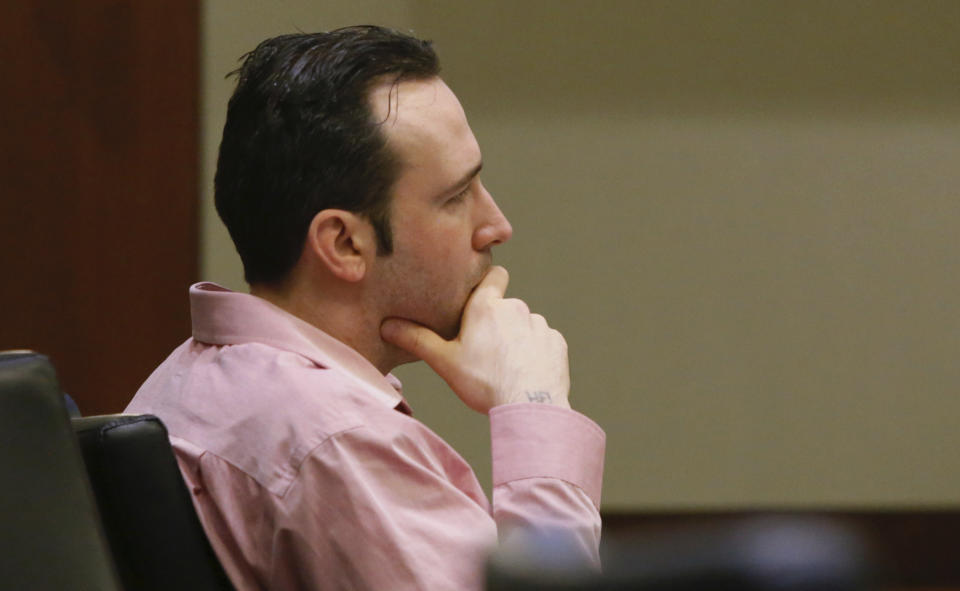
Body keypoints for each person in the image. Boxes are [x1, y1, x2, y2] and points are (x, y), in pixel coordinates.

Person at [126, 25, 605, 590]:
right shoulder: (333, 440)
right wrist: (533, 403)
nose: (496, 225)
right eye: (456, 197)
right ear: (344, 244)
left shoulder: (186, 380)